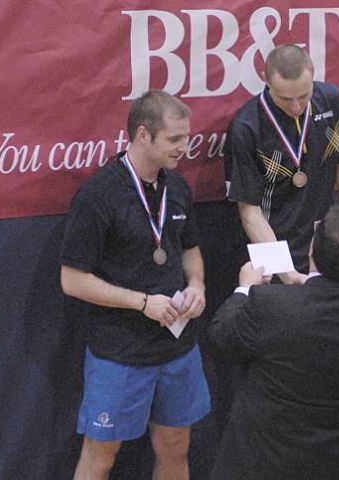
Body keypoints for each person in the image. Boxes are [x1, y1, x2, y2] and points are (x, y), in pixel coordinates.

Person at [60, 90, 211, 480]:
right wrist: (142, 302)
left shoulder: (178, 188)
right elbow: (72, 280)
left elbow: (190, 249)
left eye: (186, 137)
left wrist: (197, 285)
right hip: (120, 353)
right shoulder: (99, 196)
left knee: (175, 448)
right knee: (101, 454)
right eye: (174, 139)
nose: (184, 147)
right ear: (143, 134)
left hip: (177, 348)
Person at [207, 202, 339, 480]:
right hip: (331, 465)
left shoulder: (270, 305)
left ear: (311, 251)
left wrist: (244, 289)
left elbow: (220, 339)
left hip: (260, 464)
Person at [223, 44, 339, 284]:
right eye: (285, 98)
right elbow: (249, 212)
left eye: (303, 96)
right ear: (266, 81)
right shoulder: (247, 127)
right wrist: (286, 272)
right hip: (273, 247)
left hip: (323, 247)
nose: (296, 106)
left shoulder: (331, 101)